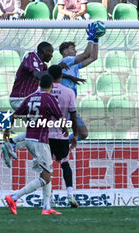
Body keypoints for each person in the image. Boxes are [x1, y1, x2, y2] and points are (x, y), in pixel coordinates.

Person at [4, 74, 67, 215]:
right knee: (46, 177)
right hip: (40, 141)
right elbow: (59, 116)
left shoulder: (30, 97)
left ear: (39, 85)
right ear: (51, 86)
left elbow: (15, 115)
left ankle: (46, 207)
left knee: (47, 171)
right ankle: (14, 197)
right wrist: (65, 129)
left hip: (29, 139)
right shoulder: (50, 98)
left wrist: (7, 130)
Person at [2, 41, 71, 166]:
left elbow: (50, 73)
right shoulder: (31, 57)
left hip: (25, 99)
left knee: (39, 131)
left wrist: (69, 76)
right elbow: (38, 75)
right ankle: (13, 144)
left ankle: (13, 145)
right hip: (20, 99)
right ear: (43, 51)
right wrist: (58, 68)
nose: (51, 55)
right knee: (40, 130)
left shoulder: (42, 64)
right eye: (50, 52)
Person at [58, 22, 99, 141]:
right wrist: (90, 38)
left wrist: (96, 40)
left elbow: (93, 57)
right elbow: (86, 54)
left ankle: (62, 146)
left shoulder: (73, 65)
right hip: (61, 105)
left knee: (83, 133)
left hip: (69, 105)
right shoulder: (67, 60)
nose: (75, 51)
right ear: (65, 52)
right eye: (72, 49)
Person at [47, 65, 79, 208]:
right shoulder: (69, 92)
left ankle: (50, 197)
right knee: (65, 164)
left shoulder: (41, 91)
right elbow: (73, 115)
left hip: (44, 135)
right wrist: (75, 134)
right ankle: (70, 195)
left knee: (46, 167)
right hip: (61, 134)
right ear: (61, 76)